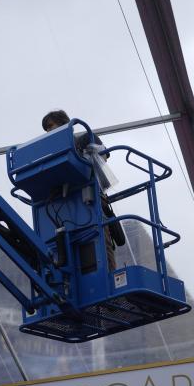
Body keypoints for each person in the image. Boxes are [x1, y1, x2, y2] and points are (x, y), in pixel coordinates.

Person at [41, 110, 125, 270]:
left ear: (65, 124)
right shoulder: (52, 152)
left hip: (91, 199)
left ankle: (109, 275)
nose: (49, 131)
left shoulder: (84, 138)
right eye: (46, 129)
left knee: (100, 242)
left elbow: (102, 157)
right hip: (66, 205)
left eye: (51, 126)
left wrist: (81, 157)